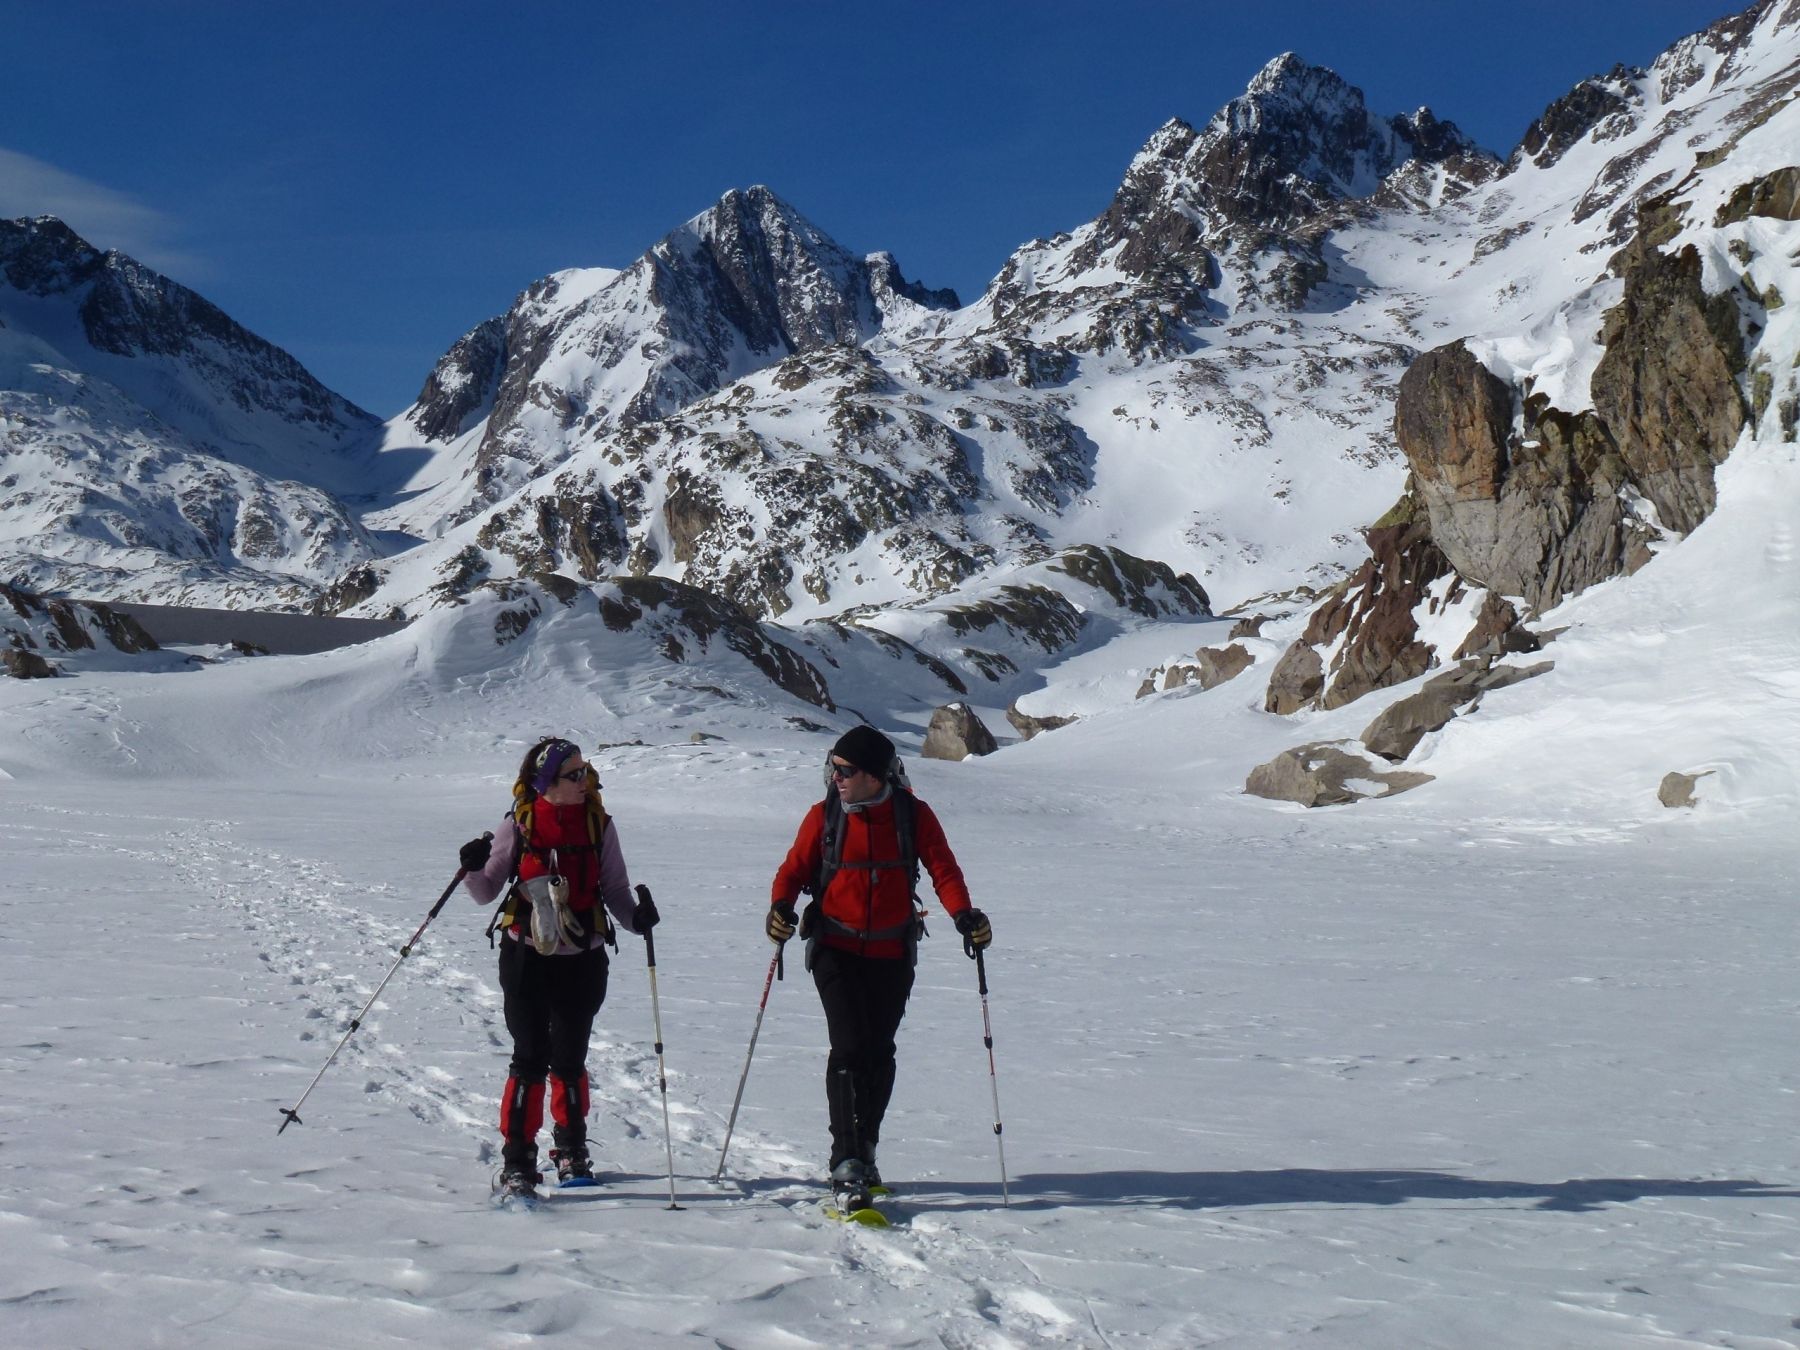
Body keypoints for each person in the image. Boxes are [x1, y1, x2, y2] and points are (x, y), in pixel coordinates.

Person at [767, 725, 991, 1209]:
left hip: (893, 952)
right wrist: (781, 906)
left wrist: (964, 915)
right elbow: (792, 870)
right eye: (834, 769)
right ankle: (845, 1159)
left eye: (845, 770)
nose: (836, 778)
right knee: (849, 1047)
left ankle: (865, 1148)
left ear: (873, 775)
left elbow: (943, 869)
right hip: (835, 947)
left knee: (879, 1051)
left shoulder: (912, 815)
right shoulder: (823, 816)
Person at [458, 737, 658, 1200]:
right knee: (529, 1056)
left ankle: (571, 1151)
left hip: (582, 958)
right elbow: (485, 891)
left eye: (586, 771)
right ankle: (518, 1160)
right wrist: (471, 868)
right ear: (547, 782)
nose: (586, 781)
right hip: (526, 956)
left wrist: (637, 920)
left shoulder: (598, 824)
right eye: (574, 775)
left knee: (569, 1058)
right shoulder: (520, 823)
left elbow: (615, 890)